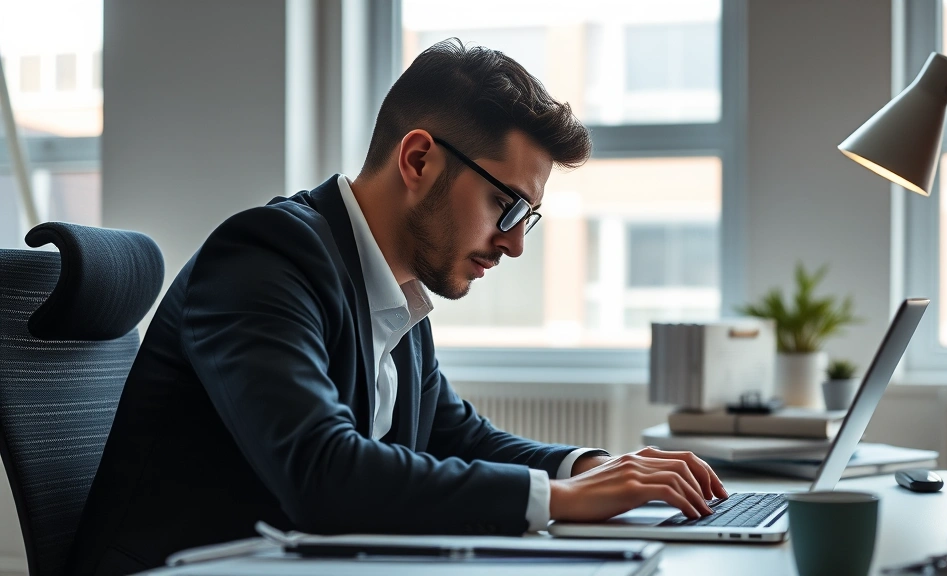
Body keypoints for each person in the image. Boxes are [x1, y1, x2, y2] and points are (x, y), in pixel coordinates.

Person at [67, 39, 728, 575]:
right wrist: (559, 499)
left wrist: (591, 468)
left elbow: (460, 438)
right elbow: (322, 471)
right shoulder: (263, 258)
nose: (517, 243)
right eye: (509, 206)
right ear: (419, 160)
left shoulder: (397, 292)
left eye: (533, 216)